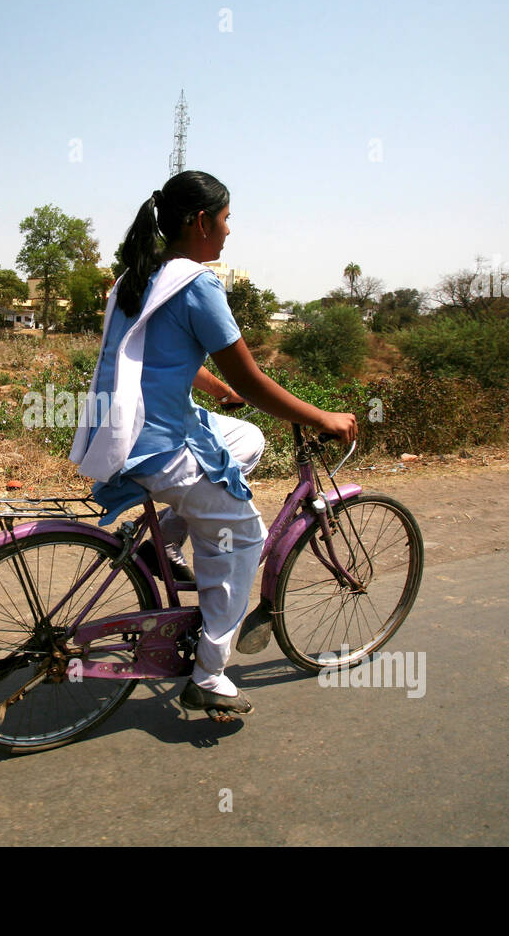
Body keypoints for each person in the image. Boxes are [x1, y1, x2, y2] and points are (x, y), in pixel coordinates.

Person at [69, 170, 357, 715]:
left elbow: (151, 352)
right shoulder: (197, 283)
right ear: (201, 221)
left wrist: (215, 388)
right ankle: (210, 673)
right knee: (245, 537)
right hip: (155, 442)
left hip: (121, 429)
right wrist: (322, 416)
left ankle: (168, 540)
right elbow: (252, 378)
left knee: (246, 439)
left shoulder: (140, 274)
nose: (229, 231)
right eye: (225, 219)